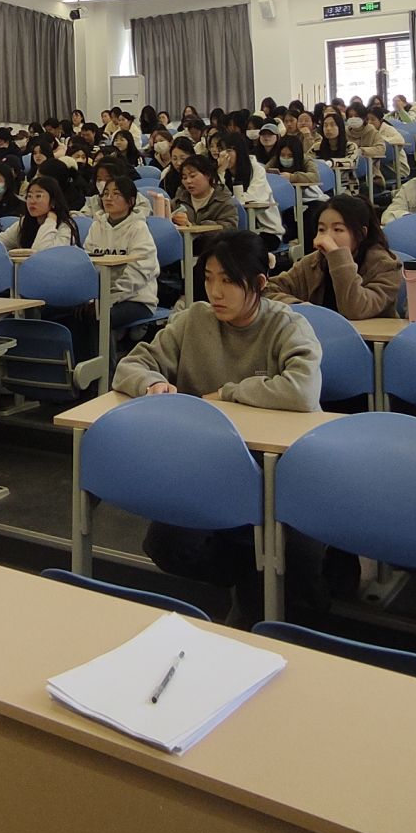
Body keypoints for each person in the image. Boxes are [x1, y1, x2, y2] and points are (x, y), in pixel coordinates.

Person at [114, 232, 323, 621]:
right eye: (209, 278)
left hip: (277, 469)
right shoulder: (194, 319)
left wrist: (229, 393)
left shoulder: (286, 325)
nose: (215, 291)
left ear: (259, 284)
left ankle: (266, 593)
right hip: (210, 465)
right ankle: (248, 575)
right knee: (165, 543)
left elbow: (303, 391)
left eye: (228, 280)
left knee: (299, 561)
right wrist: (152, 383)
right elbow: (132, 364)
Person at [268, 195, 399, 321]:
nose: (327, 237)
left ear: (361, 233)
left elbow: (355, 310)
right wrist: (299, 306)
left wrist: (338, 257)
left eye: (338, 230)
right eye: (321, 229)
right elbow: (268, 290)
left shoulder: (385, 266)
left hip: (367, 336)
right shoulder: (314, 262)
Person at [85, 181, 160, 347]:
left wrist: (109, 298)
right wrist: (90, 298)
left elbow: (140, 272)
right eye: (105, 194)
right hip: (101, 298)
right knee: (77, 316)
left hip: (137, 299)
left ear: (130, 201)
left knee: (101, 317)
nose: (108, 198)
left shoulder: (139, 228)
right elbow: (87, 266)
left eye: (116, 194)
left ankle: (107, 363)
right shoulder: (96, 226)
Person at [0, 175, 79, 252]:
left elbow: (41, 253)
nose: (32, 201)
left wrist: (50, 221)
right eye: (29, 196)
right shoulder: (25, 222)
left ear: (53, 201)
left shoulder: (65, 226)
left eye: (38, 196)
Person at [171, 154, 240, 233]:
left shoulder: (224, 201)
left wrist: (192, 226)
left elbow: (230, 230)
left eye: (192, 176)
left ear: (208, 175)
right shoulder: (179, 201)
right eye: (184, 178)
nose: (188, 181)